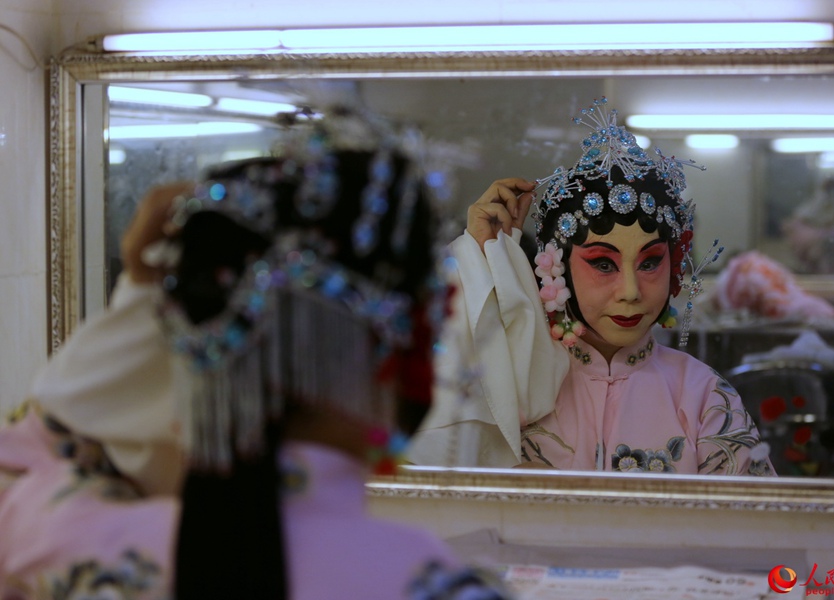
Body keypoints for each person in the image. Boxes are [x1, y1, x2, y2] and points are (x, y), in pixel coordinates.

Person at [0, 110, 512, 599]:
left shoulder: (79, 548)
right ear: (405, 349)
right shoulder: (439, 586)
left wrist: (140, 293)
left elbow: (29, 448)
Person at [410, 98, 773, 476]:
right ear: (556, 269)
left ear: (673, 267)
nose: (630, 291)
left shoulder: (704, 398)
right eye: (603, 264)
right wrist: (479, 260)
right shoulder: (519, 378)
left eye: (650, 262)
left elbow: (754, 527)